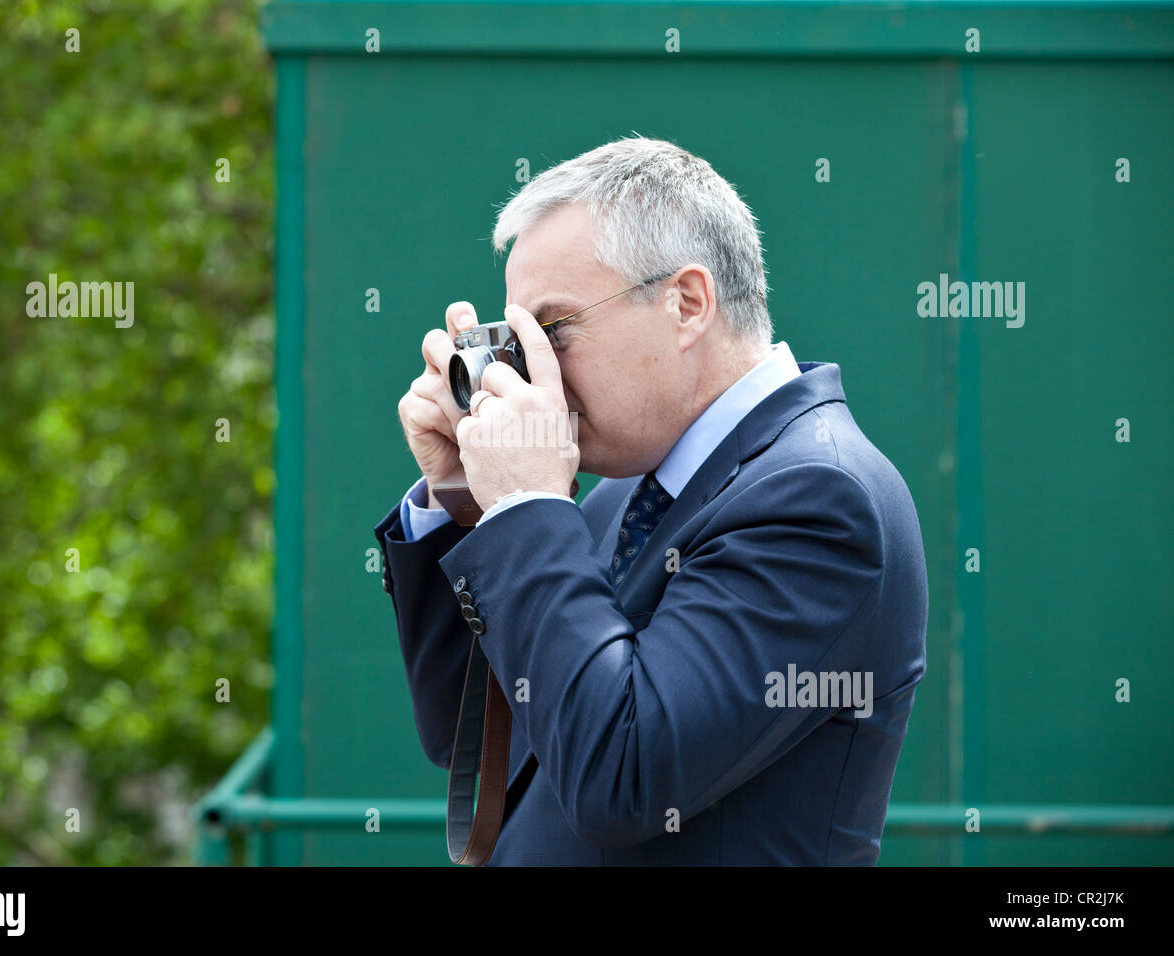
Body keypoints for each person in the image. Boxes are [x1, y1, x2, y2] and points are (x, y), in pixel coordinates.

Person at [372, 136, 928, 865]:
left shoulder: (821, 500)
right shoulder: (624, 494)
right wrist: (465, 501)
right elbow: (475, 742)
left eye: (554, 331)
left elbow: (623, 778)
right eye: (517, 338)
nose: (533, 372)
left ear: (687, 303)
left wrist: (527, 511)